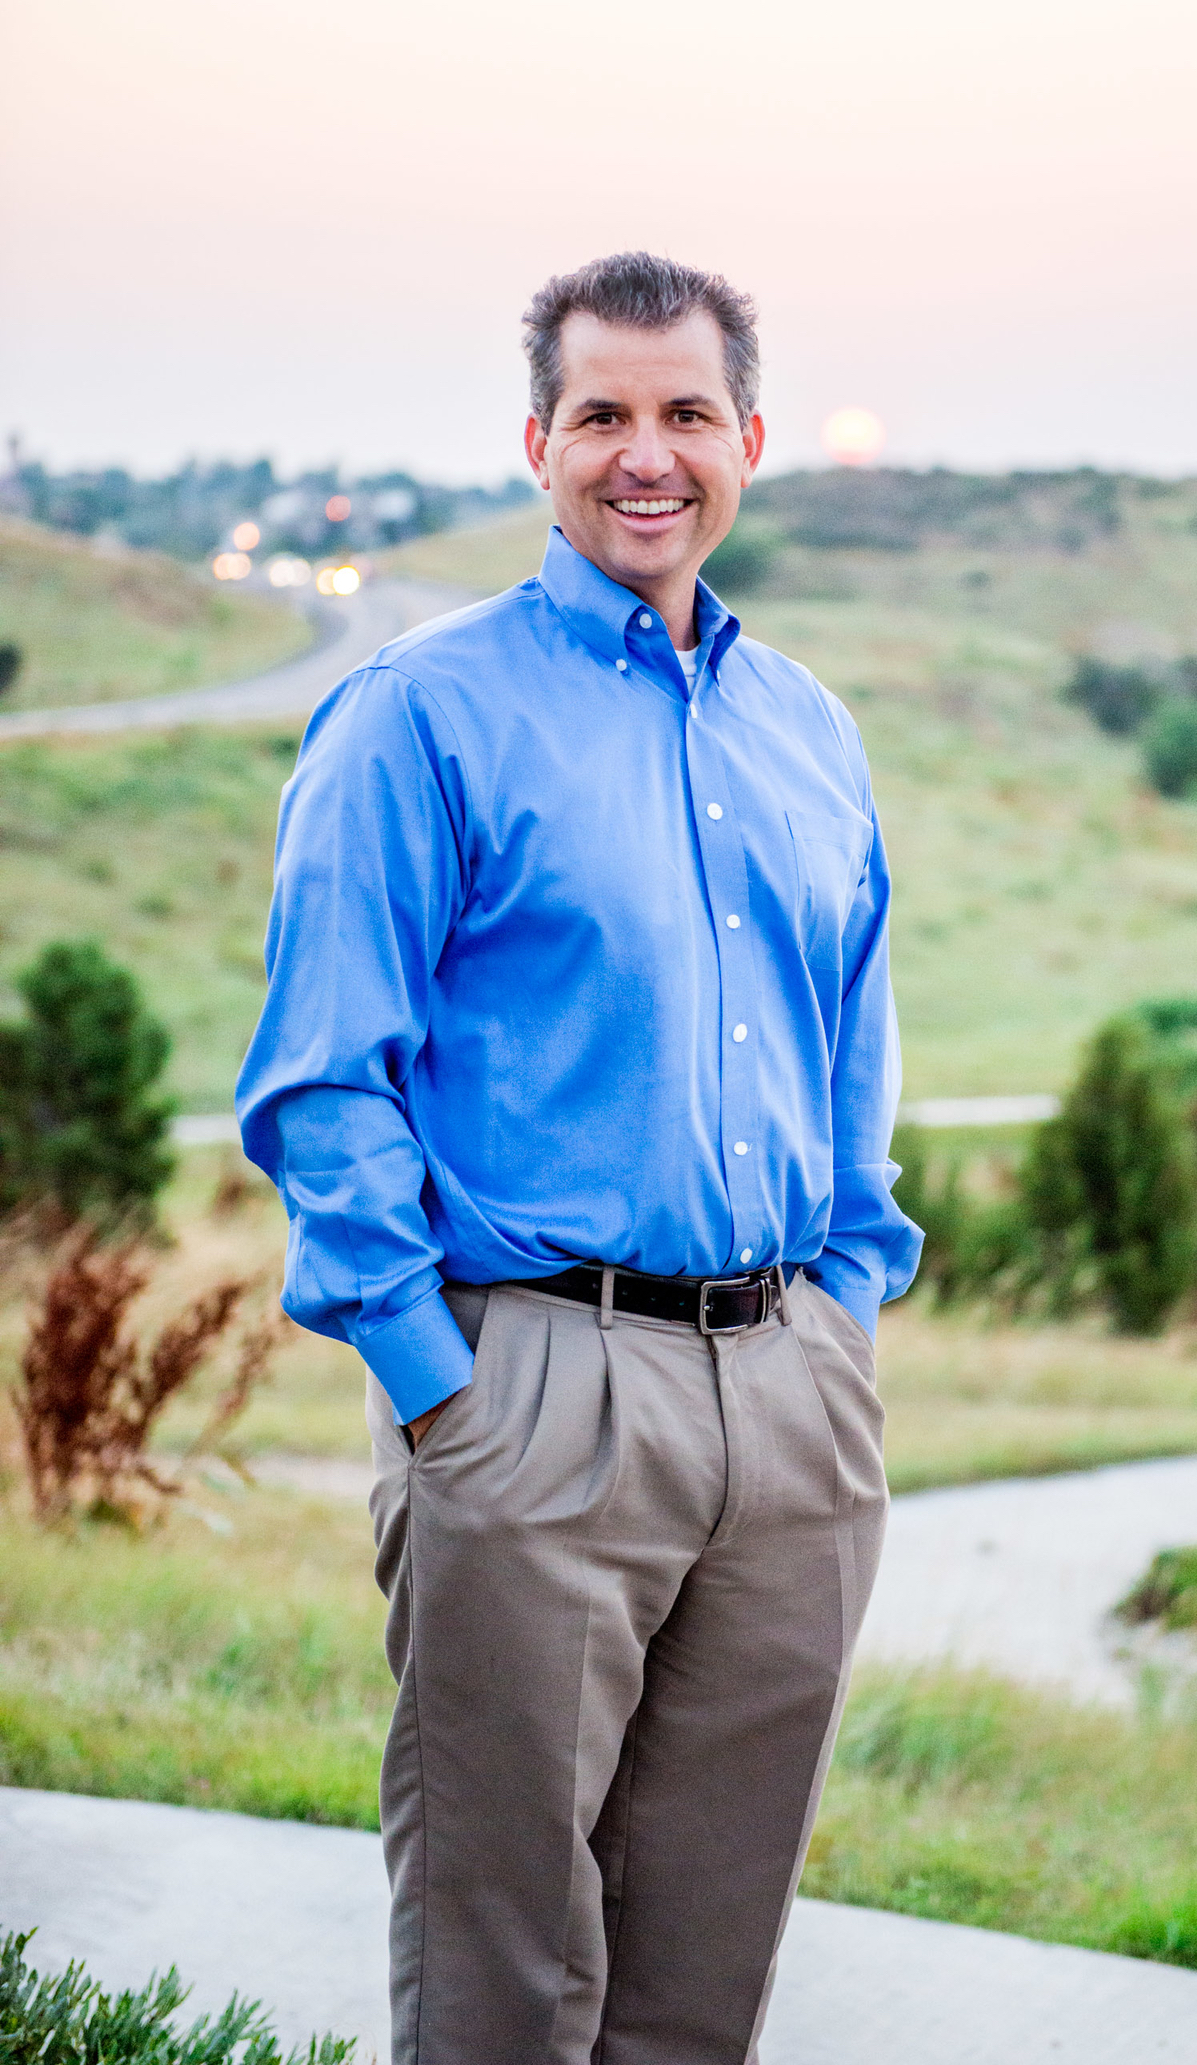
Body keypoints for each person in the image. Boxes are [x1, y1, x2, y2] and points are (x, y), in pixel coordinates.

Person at [237, 250, 921, 2065]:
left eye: (684, 413)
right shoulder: (419, 711)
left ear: (747, 440)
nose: (646, 454)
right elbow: (324, 1081)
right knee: (502, 1967)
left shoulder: (807, 732)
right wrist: (436, 1391)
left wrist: (843, 1318)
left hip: (788, 1406)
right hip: (529, 1384)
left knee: (706, 1968)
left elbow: (851, 1048)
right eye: (601, 414)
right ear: (537, 444)